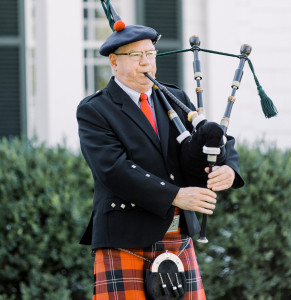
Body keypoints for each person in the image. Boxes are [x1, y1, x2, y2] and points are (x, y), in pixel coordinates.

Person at [76, 24, 244, 300]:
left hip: (176, 238)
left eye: (150, 54)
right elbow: (113, 169)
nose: (146, 62)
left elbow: (215, 138)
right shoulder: (95, 109)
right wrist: (176, 195)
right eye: (135, 55)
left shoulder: (174, 98)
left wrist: (229, 168)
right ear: (114, 61)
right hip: (125, 237)